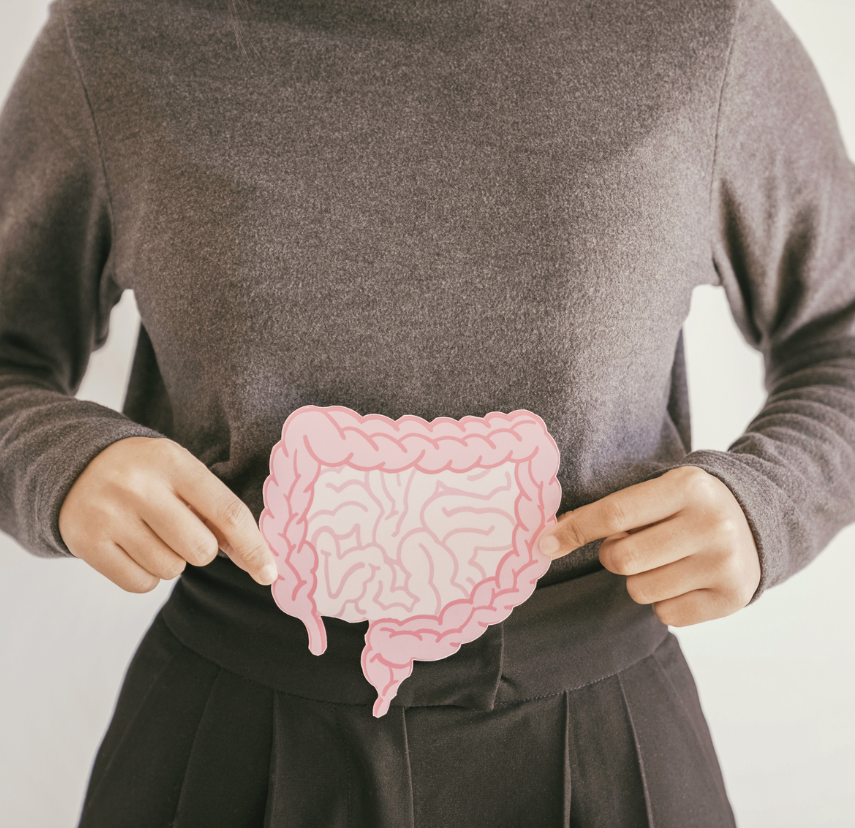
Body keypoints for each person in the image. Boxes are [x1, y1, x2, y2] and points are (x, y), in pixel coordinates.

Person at [1, 0, 853, 824]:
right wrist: (57, 461)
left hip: (601, 730)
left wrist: (770, 499)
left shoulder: (704, 30)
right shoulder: (116, 34)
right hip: (233, 731)